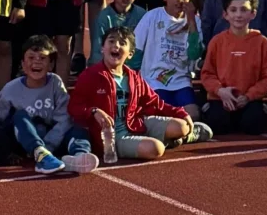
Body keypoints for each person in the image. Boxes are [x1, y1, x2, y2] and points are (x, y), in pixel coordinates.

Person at [69, 26, 196, 164]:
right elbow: (74, 107)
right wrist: (93, 111)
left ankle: (184, 136)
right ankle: (169, 141)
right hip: (113, 136)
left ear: (130, 53)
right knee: (155, 149)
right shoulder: (90, 75)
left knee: (182, 126)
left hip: (136, 123)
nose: (116, 45)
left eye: (122, 43)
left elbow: (154, 102)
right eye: (111, 41)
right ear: (102, 48)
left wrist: (181, 113)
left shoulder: (133, 77)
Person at [0, 35, 99, 174]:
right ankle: (41, 155)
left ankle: (78, 157)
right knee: (20, 116)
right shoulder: (11, 89)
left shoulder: (55, 83)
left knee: (78, 129)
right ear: (22, 63)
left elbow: (64, 118)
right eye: (31, 58)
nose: (37, 62)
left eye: (42, 58)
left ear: (51, 65)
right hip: (25, 143)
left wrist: (49, 145)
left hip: (51, 139)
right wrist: (6, 152)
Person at [199, 0, 267, 136]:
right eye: (233, 10)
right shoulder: (217, 41)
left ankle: (259, 110)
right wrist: (220, 91)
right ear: (225, 14)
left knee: (253, 124)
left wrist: (249, 96)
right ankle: (211, 109)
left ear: (253, 14)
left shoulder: (262, 43)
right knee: (217, 125)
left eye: (244, 10)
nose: (238, 15)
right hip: (222, 98)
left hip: (249, 99)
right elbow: (207, 74)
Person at [135, 0, 205, 118]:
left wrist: (191, 20)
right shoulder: (152, 17)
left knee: (193, 115)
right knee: (163, 116)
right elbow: (136, 49)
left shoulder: (196, 22)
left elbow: (194, 54)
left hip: (181, 81)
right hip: (154, 80)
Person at [90, 0, 145, 66]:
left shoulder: (143, 16)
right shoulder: (104, 17)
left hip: (136, 69)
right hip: (109, 68)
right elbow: (97, 52)